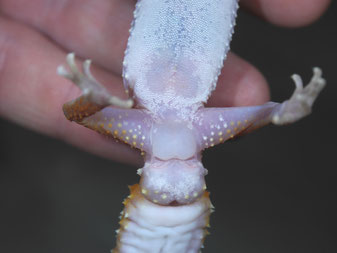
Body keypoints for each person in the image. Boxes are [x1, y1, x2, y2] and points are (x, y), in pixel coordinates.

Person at [0, 0, 330, 165]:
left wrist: (92, 99)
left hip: (160, 114)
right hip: (180, 116)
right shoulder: (195, 128)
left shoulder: (158, 129)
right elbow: (80, 113)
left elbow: (80, 113)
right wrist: (279, 111)